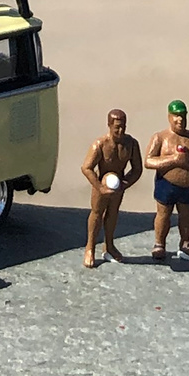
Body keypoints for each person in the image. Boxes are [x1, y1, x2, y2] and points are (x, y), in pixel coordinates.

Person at [80, 108, 144, 267]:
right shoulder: (100, 145)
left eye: (123, 126)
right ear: (109, 125)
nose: (120, 130)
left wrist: (125, 184)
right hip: (101, 184)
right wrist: (99, 187)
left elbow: (137, 169)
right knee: (96, 214)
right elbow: (86, 168)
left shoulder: (131, 144)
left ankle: (109, 245)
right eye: (117, 127)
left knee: (113, 213)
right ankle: (90, 247)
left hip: (118, 185)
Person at [145, 99, 189, 258]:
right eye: (176, 116)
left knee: (186, 215)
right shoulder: (160, 137)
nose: (180, 119)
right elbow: (149, 161)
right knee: (164, 214)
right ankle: (159, 244)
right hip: (167, 183)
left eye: (183, 115)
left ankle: (185, 242)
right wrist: (173, 160)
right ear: (169, 116)